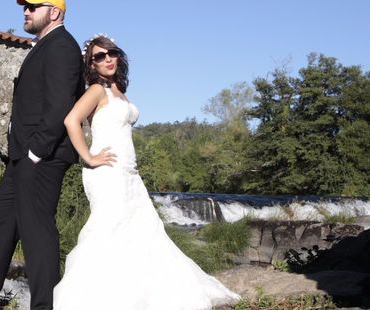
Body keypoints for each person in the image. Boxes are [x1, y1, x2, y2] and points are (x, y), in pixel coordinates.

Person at [53, 35, 241, 310]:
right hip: (106, 172)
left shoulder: (117, 89)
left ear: (119, 55)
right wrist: (89, 157)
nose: (107, 59)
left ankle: (137, 296)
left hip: (129, 173)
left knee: (142, 232)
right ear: (91, 64)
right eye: (99, 56)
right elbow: (71, 120)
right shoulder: (96, 90)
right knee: (108, 231)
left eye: (112, 53)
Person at [0, 0, 84, 310]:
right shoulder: (43, 46)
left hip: (42, 156)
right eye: (25, 7)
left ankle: (44, 306)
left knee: (37, 229)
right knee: (2, 214)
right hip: (22, 155)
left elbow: (60, 103)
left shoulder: (63, 47)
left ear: (55, 13)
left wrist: (37, 151)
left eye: (33, 6)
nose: (26, 11)